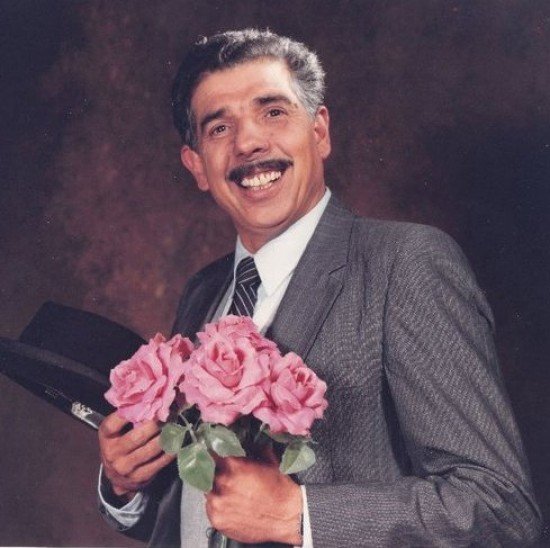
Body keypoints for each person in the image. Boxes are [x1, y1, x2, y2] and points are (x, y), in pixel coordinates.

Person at [97, 29, 542, 547]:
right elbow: (205, 515)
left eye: (273, 112)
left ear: (320, 131)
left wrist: (301, 516)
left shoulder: (405, 264)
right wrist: (125, 485)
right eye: (219, 128)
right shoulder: (204, 291)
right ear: (197, 165)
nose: (248, 143)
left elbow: (499, 508)